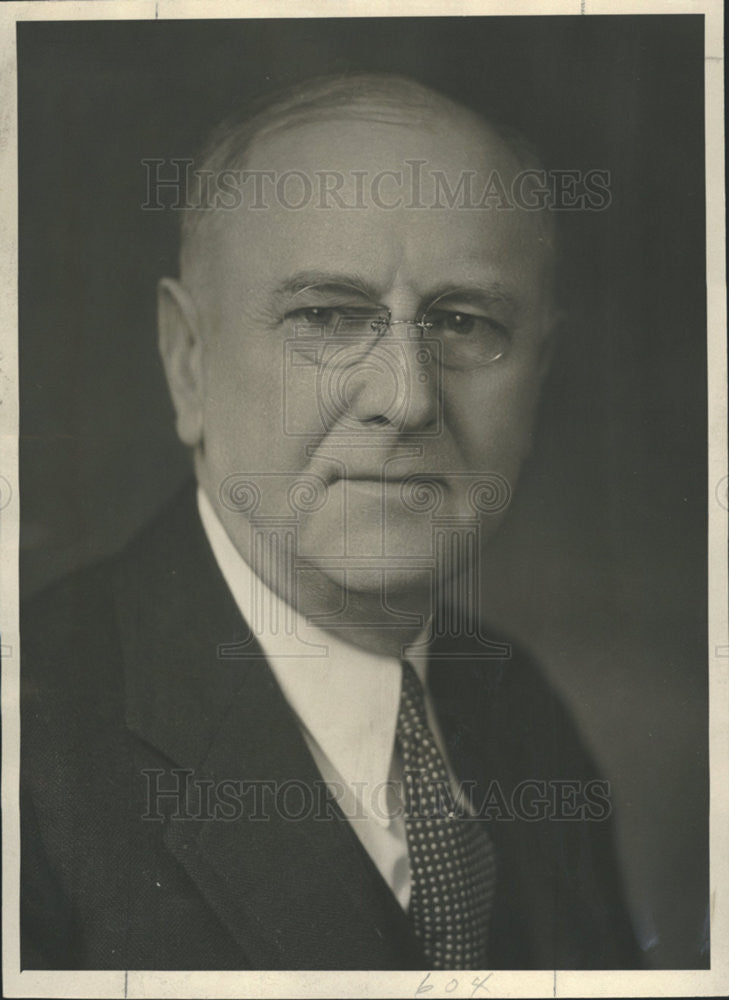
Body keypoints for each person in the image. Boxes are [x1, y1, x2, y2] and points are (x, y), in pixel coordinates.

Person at [21, 72, 641, 971]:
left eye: (464, 323)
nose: (405, 397)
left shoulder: (521, 716)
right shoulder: (29, 756)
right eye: (326, 316)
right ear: (188, 361)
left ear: (538, 375)